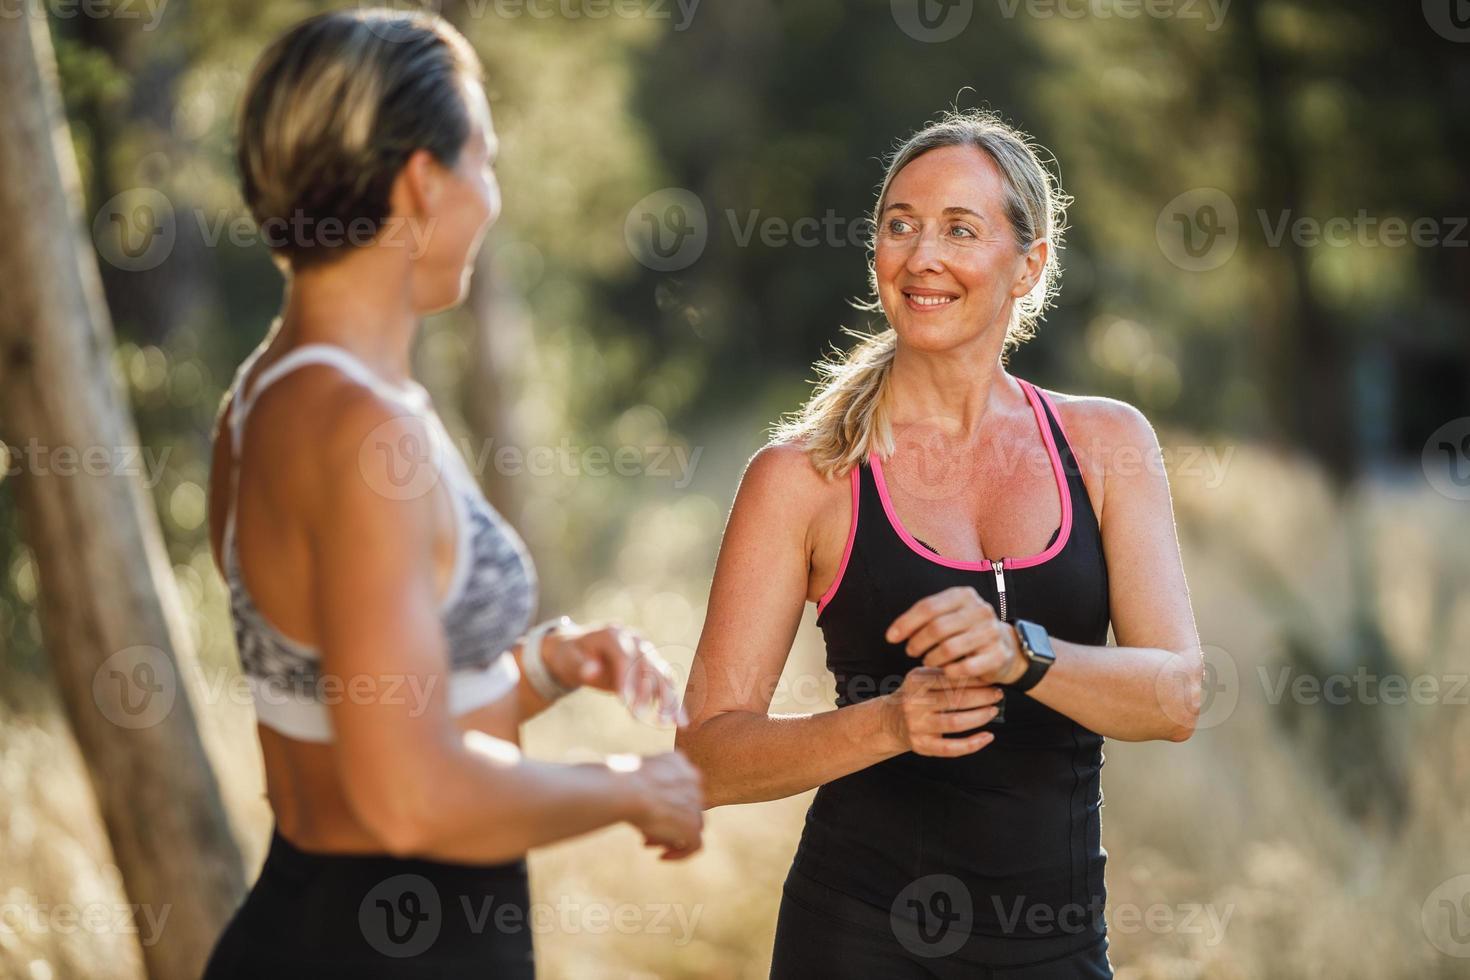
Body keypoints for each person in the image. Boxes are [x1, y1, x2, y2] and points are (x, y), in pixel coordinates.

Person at [202, 10, 703, 978]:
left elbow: (367, 707)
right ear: (419, 182)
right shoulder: (362, 431)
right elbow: (407, 796)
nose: (492, 195)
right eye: (485, 160)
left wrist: (548, 664)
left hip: (312, 924)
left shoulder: (261, 398)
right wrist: (635, 785)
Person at [677, 109, 1204, 978]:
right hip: (857, 942)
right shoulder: (805, 477)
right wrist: (888, 722)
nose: (922, 257)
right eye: (900, 226)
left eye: (960, 229)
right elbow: (706, 759)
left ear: (1028, 266)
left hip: (1058, 950)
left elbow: (1177, 697)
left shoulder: (1107, 444)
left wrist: (1018, 654)